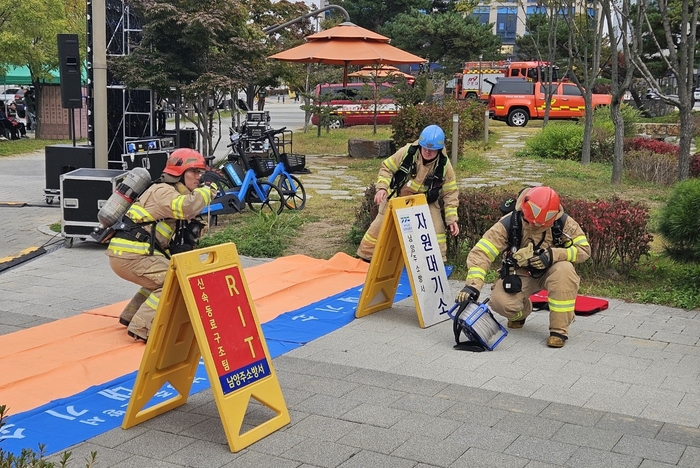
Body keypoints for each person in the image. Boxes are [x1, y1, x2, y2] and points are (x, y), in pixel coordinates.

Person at [106, 148, 218, 342]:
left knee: (161, 277)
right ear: (179, 174)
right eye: (194, 172)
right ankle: (141, 327)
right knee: (174, 281)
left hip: (131, 254)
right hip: (132, 256)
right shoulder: (163, 191)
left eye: (200, 173)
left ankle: (131, 314)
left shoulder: (170, 191)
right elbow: (187, 207)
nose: (198, 177)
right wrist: (209, 189)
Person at [455, 186, 590, 348]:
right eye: (531, 223)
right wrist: (472, 286)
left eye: (541, 225)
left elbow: (584, 250)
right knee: (500, 303)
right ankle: (521, 313)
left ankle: (559, 330)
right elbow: (482, 252)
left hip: (553, 269)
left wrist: (554, 255)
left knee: (565, 271)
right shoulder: (510, 222)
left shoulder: (563, 222)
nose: (535, 227)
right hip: (520, 272)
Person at [356, 124, 459, 262]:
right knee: (378, 228)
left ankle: (436, 263)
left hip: (425, 201)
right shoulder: (407, 152)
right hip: (398, 196)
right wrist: (382, 188)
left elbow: (450, 192)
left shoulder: (444, 165)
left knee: (437, 230)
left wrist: (452, 219)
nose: (427, 152)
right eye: (425, 148)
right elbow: (386, 168)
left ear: (439, 149)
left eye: (432, 150)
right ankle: (365, 257)